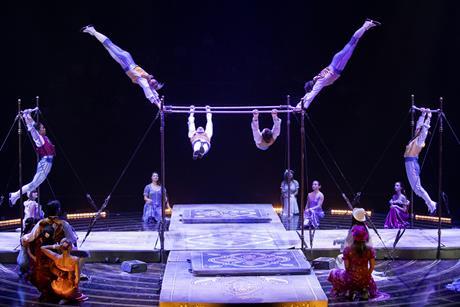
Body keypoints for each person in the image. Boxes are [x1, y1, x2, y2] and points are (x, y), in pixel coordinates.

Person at [296, 19, 379, 110]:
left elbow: (313, 93)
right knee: (353, 43)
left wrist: (304, 107)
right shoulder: (317, 81)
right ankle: (366, 26)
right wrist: (299, 105)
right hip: (337, 64)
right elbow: (309, 93)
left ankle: (366, 25)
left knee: (352, 42)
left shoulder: (319, 82)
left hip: (336, 64)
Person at [81, 25, 162, 108]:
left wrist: (160, 101)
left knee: (108, 46)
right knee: (109, 45)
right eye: (155, 82)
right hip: (126, 61)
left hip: (127, 58)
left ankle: (93, 32)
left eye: (154, 84)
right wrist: (158, 104)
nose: (154, 81)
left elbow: (152, 91)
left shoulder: (146, 80)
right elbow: (148, 90)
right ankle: (92, 30)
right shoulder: (144, 80)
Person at [9, 109, 55, 206]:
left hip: (46, 162)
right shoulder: (40, 139)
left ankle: (15, 196)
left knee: (35, 184)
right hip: (45, 163)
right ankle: (14, 195)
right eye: (43, 128)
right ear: (39, 130)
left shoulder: (43, 137)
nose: (44, 129)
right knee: (34, 184)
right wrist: (26, 115)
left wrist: (27, 115)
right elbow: (32, 129)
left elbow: (33, 125)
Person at [328, 225, 378, 300]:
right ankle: (363, 290)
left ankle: (350, 290)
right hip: (365, 279)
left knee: (333, 272)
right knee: (361, 279)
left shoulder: (348, 250)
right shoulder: (370, 250)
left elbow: (347, 268)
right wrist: (366, 276)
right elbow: (372, 267)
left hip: (351, 279)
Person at [404, 108, 436, 214]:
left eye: (419, 130)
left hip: (412, 164)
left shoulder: (419, 141)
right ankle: (430, 203)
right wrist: (422, 114)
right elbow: (418, 126)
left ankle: (431, 204)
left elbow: (424, 130)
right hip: (409, 163)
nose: (418, 130)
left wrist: (429, 116)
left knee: (417, 188)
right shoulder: (415, 137)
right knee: (416, 189)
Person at [40, 238, 88, 303]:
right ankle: (67, 298)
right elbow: (77, 277)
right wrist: (75, 288)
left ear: (60, 247)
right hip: (68, 290)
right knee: (75, 294)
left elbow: (42, 248)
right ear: (70, 248)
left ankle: (62, 297)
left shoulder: (56, 257)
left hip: (56, 288)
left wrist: (54, 246)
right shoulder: (75, 260)